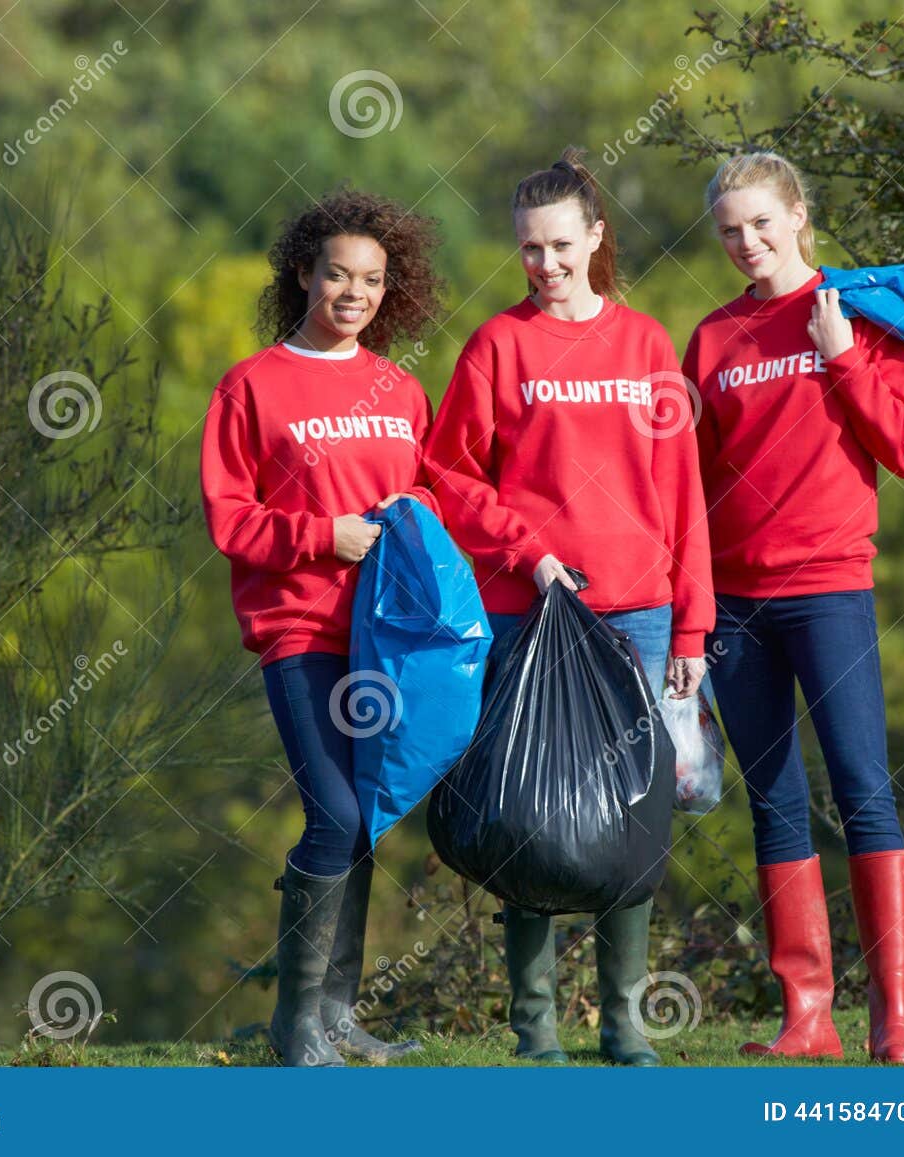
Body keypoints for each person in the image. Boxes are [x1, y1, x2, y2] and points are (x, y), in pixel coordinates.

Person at [424, 147, 713, 1066]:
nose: (545, 266)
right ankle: (535, 1033)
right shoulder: (498, 347)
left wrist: (693, 625)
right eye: (528, 251)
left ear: (595, 238)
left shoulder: (647, 345)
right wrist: (529, 551)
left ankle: (626, 1025)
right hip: (528, 611)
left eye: (559, 246)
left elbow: (682, 489)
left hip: (636, 613)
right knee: (529, 813)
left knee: (636, 813)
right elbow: (445, 472)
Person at [683, 151, 904, 1065]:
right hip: (736, 603)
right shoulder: (709, 340)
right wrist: (690, 610)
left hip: (828, 586)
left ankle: (893, 1022)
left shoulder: (856, 314)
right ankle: (808, 1016)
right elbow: (689, 487)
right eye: (730, 231)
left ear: (798, 215)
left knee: (863, 789)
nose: (747, 243)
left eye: (761, 223)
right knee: (773, 800)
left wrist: (841, 362)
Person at [200, 190, 445, 1066]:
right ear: (303, 272)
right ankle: (293, 1027)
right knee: (334, 811)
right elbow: (231, 522)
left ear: (391, 288)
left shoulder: (400, 388)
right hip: (300, 628)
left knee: (362, 819)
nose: (353, 292)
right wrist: (322, 536)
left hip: (387, 639)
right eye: (337, 273)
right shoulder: (252, 385)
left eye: (372, 279)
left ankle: (337, 1015)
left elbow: (431, 500)